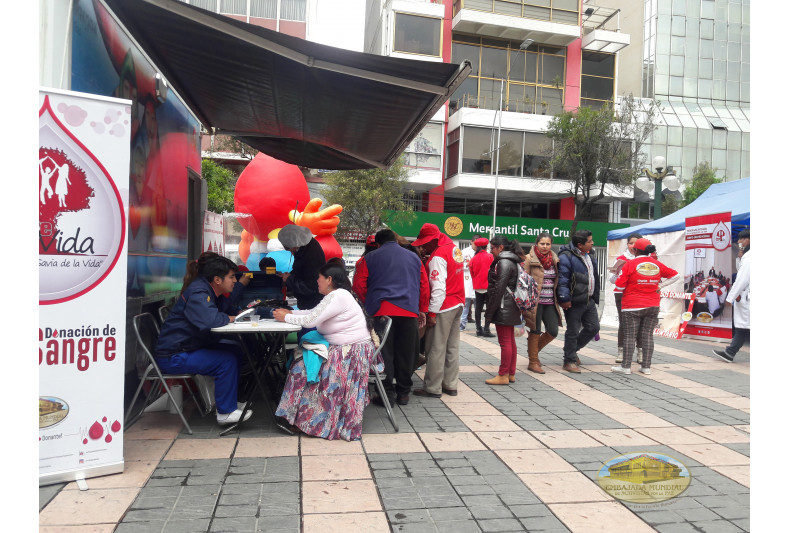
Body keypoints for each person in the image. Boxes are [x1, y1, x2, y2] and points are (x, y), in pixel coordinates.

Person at [273, 263, 379, 440]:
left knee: (302, 369)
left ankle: (311, 422)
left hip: (351, 353)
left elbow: (310, 321)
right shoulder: (337, 295)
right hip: (346, 349)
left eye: (319, 278)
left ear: (329, 280)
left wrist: (286, 317)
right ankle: (304, 419)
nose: (317, 281)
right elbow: (314, 313)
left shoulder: (339, 296)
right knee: (301, 365)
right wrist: (292, 312)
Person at [155, 254, 253, 425]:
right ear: (217, 279)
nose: (235, 281)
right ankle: (225, 413)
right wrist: (229, 318)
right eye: (231, 277)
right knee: (226, 360)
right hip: (174, 356)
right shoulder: (199, 292)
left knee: (234, 350)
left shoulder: (208, 290)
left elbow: (220, 312)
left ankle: (227, 401)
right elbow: (211, 320)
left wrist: (228, 313)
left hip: (188, 347)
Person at [353, 229, 429, 406]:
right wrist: (422, 309)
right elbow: (424, 285)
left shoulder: (369, 259)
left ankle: (386, 394)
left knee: (385, 354)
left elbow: (358, 285)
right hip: (409, 311)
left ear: (377, 244)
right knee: (407, 353)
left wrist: (370, 303)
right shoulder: (414, 258)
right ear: (395, 240)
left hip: (382, 313)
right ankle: (403, 393)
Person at [411, 223, 465, 398]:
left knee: (435, 347)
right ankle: (450, 384)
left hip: (443, 306)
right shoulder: (454, 249)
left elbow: (438, 288)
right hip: (458, 303)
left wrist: (431, 313)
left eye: (426, 243)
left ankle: (432, 387)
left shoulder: (438, 256)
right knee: (452, 346)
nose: (424, 247)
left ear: (434, 240)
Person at [611, 238, 679, 375]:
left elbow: (619, 285)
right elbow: (675, 275)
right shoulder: (656, 264)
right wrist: (660, 285)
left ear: (635, 250)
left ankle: (625, 367)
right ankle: (646, 367)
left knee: (630, 335)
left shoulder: (630, 264)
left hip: (631, 306)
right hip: (653, 304)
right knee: (647, 336)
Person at [557, 230, 600, 373]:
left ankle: (572, 349)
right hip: (574, 301)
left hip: (589, 299)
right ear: (580, 245)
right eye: (589, 241)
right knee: (573, 331)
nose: (592, 243)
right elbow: (563, 280)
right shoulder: (566, 256)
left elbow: (594, 276)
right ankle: (569, 361)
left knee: (593, 327)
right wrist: (564, 299)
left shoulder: (590, 255)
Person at [483, 236, 523, 385]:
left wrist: (489, 312)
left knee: (505, 341)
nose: (491, 251)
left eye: (492, 248)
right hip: (510, 305)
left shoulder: (504, 262)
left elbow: (498, 288)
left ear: (500, 248)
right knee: (510, 340)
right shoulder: (513, 261)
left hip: (503, 306)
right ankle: (510, 373)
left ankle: (503, 374)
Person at [522, 233, 563, 374]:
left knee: (553, 330)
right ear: (536, 244)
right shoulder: (529, 259)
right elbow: (522, 281)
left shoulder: (555, 260)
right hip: (535, 301)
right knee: (535, 330)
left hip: (551, 301)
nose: (545, 247)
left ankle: (532, 351)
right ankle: (533, 361)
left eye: (548, 244)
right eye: (542, 244)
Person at [713, 229, 750, 362]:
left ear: (748, 240)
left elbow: (742, 279)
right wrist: (739, 257)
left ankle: (730, 352)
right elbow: (741, 270)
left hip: (747, 297)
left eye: (741, 240)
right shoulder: (746, 256)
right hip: (746, 297)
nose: (739, 242)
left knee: (743, 326)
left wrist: (730, 298)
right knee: (742, 327)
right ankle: (730, 352)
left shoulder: (750, 256)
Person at [609, 233, 644, 364]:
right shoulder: (621, 259)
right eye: (631, 243)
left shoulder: (645, 259)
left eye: (636, 243)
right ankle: (621, 352)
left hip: (638, 294)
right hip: (621, 294)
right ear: (627, 244)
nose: (633, 246)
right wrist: (617, 272)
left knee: (641, 324)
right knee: (624, 323)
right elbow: (612, 280)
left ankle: (640, 352)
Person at [277, 224, 326, 310]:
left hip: (312, 302)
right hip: (307, 300)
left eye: (288, 248)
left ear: (294, 243)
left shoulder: (311, 254)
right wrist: (289, 276)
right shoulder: (304, 248)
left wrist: (289, 279)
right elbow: (299, 271)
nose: (289, 251)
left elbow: (310, 286)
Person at [469, 237, 495, 337]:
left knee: (478, 308)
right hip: (488, 286)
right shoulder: (490, 256)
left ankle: (478, 329)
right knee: (489, 308)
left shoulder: (473, 258)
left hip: (477, 286)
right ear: (486, 246)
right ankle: (487, 329)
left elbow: (472, 273)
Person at [460, 235, 481, 331]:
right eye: (475, 243)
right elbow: (459, 265)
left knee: (478, 305)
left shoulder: (482, 252)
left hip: (478, 280)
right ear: (471, 242)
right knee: (466, 304)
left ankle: (478, 325)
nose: (476, 245)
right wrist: (467, 265)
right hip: (467, 279)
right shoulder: (464, 252)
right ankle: (462, 324)